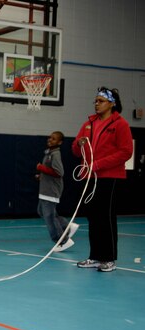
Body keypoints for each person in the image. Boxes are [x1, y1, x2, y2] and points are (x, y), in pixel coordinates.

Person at [72, 87, 133, 272]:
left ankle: (109, 258)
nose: (97, 104)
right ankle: (95, 256)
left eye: (101, 100)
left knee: (106, 217)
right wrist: (78, 144)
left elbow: (126, 152)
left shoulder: (120, 124)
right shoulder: (88, 124)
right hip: (89, 177)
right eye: (95, 101)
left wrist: (98, 164)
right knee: (93, 217)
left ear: (112, 103)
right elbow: (75, 150)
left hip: (109, 177)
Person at [35, 131, 79, 252]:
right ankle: (66, 226)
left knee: (49, 217)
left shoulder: (56, 154)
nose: (50, 139)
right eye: (49, 137)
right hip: (45, 189)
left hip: (50, 191)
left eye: (54, 139)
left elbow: (59, 172)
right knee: (42, 212)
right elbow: (50, 172)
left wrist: (41, 168)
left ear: (59, 142)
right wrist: (41, 176)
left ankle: (62, 240)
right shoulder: (49, 153)